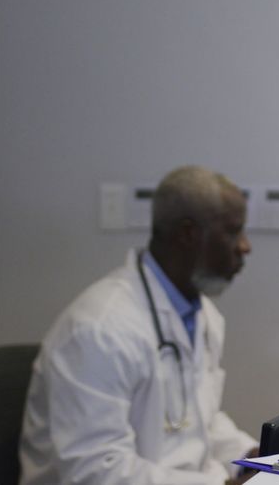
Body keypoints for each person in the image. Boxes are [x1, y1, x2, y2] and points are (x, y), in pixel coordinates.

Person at [20, 166, 258, 485]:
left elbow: (201, 420)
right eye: (233, 231)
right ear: (189, 234)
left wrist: (254, 458)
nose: (245, 246)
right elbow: (95, 472)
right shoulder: (99, 330)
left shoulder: (200, 315)